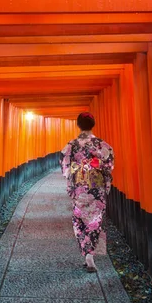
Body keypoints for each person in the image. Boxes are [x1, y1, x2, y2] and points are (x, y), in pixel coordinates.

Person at [59, 112, 114, 273]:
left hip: (80, 187)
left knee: (79, 220)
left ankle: (87, 253)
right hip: (96, 188)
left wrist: (71, 182)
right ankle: (91, 255)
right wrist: (106, 183)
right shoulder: (102, 145)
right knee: (95, 220)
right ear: (93, 124)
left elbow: (65, 166)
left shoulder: (71, 145)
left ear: (78, 125)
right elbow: (108, 165)